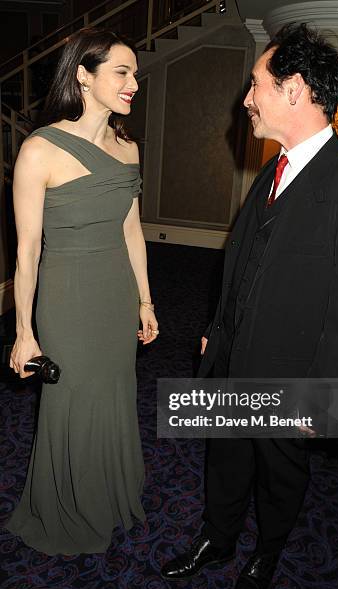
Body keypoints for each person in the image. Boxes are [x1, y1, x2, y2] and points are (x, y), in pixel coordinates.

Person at [160, 23, 338, 589]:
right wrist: (216, 332)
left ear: (294, 90)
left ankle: (267, 552)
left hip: (293, 378)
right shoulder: (274, 166)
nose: (246, 98)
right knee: (226, 456)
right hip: (236, 355)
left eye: (256, 83)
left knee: (280, 474)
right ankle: (217, 538)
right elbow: (241, 261)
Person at [5, 27, 158, 555]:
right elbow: (25, 252)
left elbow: (132, 230)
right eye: (122, 72)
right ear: (83, 76)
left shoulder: (129, 148)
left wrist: (145, 299)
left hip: (115, 294)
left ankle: (111, 490)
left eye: (134, 73)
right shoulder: (39, 150)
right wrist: (24, 333)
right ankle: (68, 506)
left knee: (114, 393)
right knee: (72, 401)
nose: (133, 83)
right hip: (67, 299)